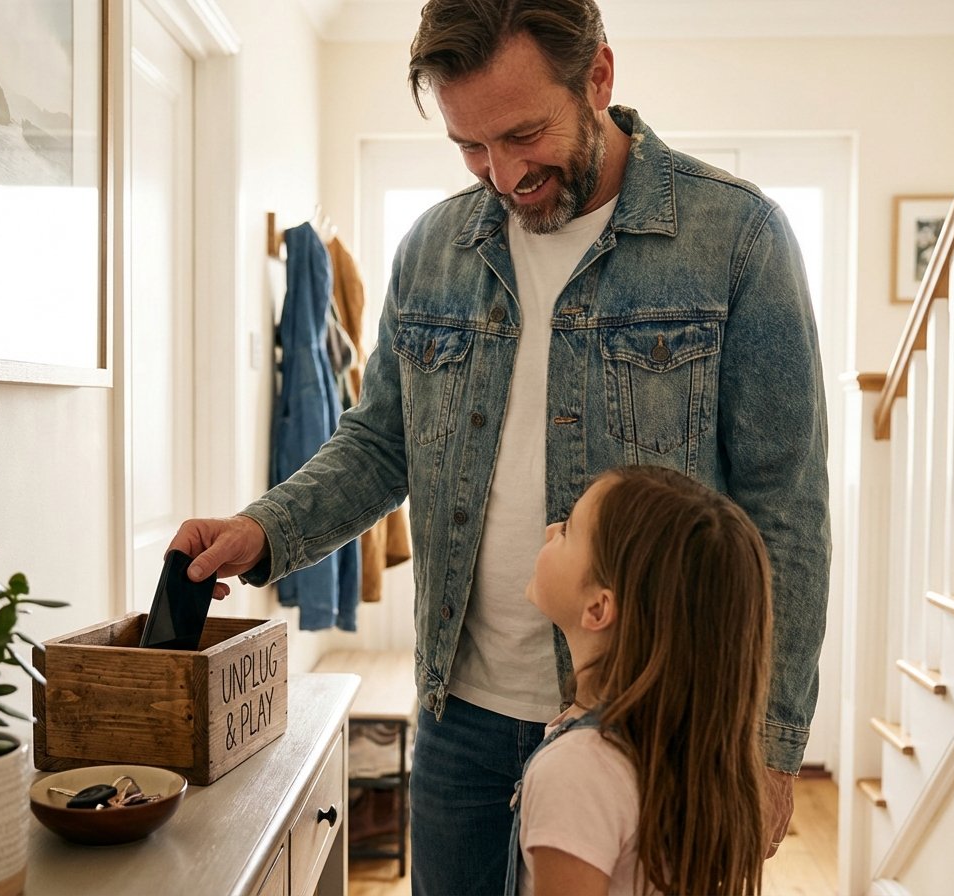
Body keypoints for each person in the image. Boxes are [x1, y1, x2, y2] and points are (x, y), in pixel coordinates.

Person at [169, 1, 830, 892]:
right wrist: (265, 529)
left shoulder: (737, 238)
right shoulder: (436, 247)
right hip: (461, 719)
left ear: (597, 77)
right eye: (471, 147)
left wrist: (771, 743)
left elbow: (783, 511)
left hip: (654, 727)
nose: (505, 175)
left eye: (524, 134)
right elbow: (381, 441)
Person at [507, 465, 772, 896]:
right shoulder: (683, 747)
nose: (552, 529)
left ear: (598, 609)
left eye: (569, 531)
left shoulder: (574, 773)